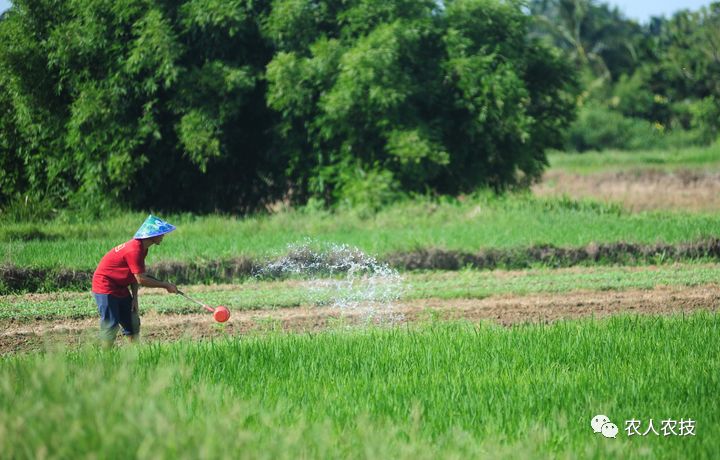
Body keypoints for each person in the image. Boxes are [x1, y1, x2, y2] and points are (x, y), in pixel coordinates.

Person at [91, 214, 178, 346]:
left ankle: (134, 355)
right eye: (161, 233)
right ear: (152, 235)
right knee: (111, 325)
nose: (163, 236)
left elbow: (135, 275)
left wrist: (134, 298)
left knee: (132, 322)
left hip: (120, 286)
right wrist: (165, 285)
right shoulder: (134, 250)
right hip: (105, 286)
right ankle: (105, 359)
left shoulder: (143, 249)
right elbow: (141, 279)